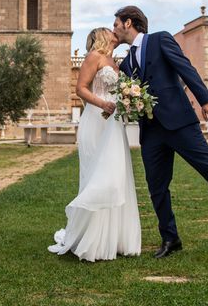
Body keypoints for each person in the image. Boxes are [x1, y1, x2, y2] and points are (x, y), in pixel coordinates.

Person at [113, 5, 208, 258]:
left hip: (179, 122)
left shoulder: (160, 39)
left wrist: (205, 100)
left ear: (128, 23)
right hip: (151, 131)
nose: (114, 29)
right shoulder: (127, 62)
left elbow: (186, 68)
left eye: (116, 24)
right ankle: (170, 238)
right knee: (156, 187)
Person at [48, 27, 141, 262]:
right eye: (112, 30)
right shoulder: (93, 57)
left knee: (117, 175)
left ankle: (116, 237)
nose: (116, 31)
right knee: (97, 174)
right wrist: (102, 104)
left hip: (114, 122)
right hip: (97, 119)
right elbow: (80, 89)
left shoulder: (115, 60)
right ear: (102, 35)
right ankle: (92, 238)